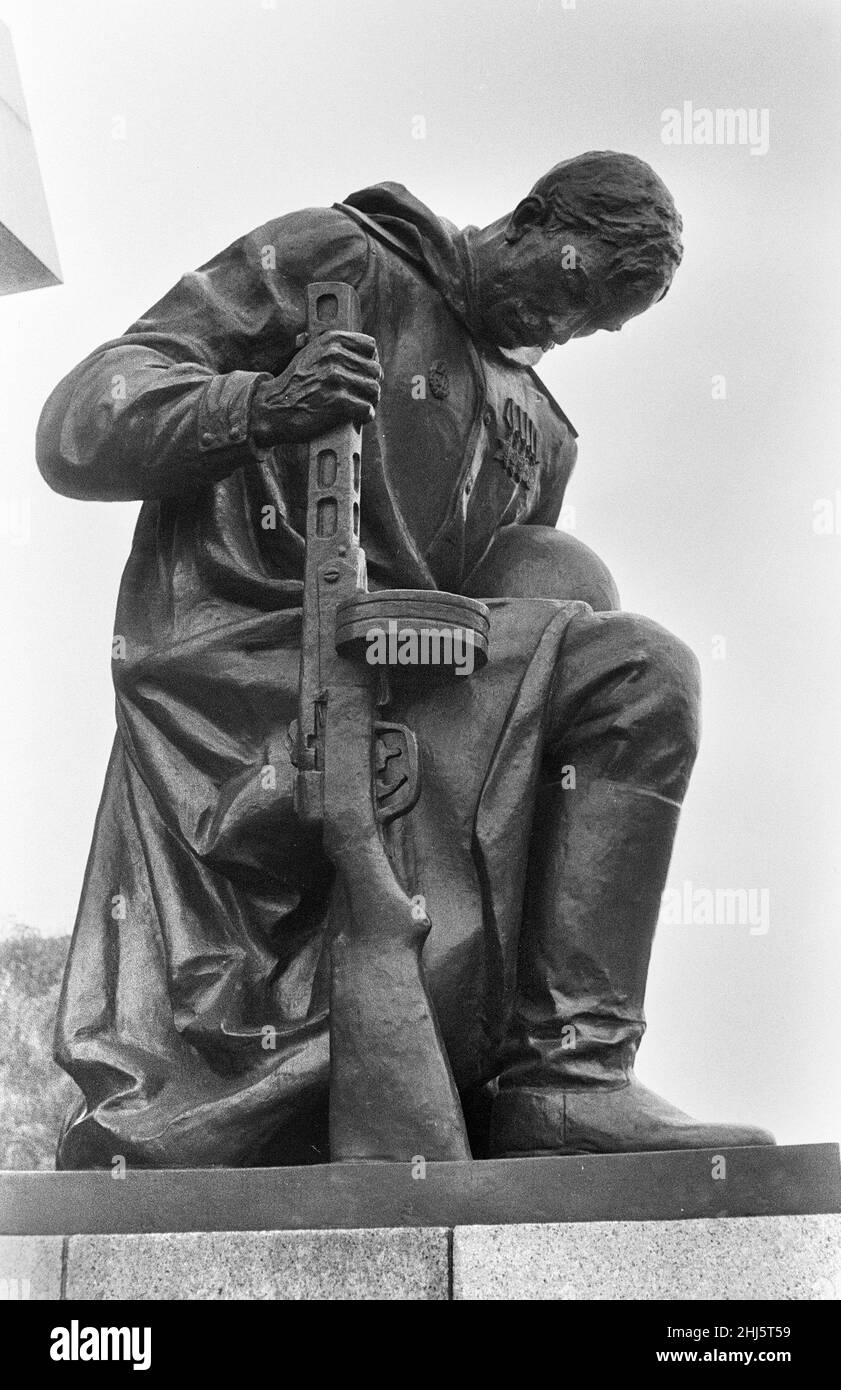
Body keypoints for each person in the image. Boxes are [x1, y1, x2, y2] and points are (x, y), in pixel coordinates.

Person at [37, 151, 773, 1167]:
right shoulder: (338, 257)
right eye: (568, 286)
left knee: (633, 666)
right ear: (526, 218)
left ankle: (567, 1073)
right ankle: (534, 1068)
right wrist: (263, 404)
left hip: (416, 694)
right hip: (245, 674)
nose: (562, 328)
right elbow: (79, 424)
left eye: (594, 323)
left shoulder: (543, 432)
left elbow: (498, 617)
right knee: (636, 665)